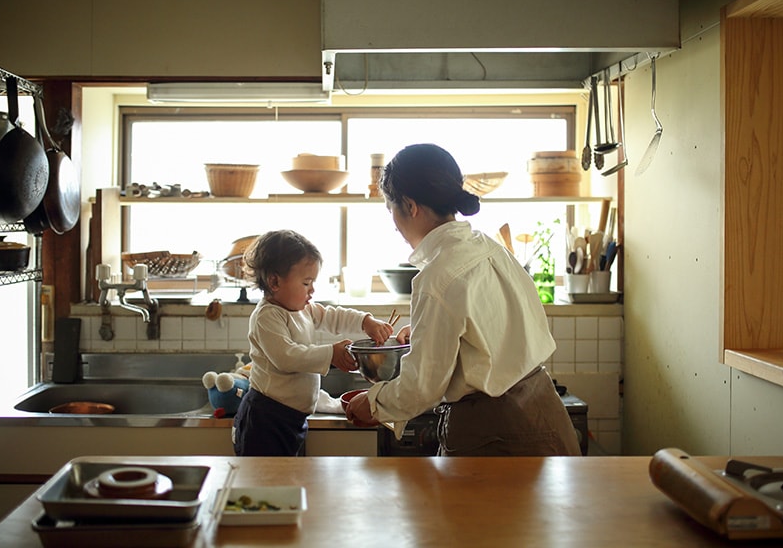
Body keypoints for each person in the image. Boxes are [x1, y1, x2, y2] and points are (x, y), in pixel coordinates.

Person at [345, 143, 582, 457]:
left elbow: (421, 389)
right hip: (544, 413)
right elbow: (496, 330)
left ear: (410, 206)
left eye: (391, 209)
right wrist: (427, 337)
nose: (394, 223)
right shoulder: (487, 246)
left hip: (498, 435)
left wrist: (373, 403)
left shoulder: (436, 278)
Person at [233, 229, 394, 456]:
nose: (312, 290)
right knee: (265, 482)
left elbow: (332, 316)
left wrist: (366, 321)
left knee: (286, 481)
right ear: (274, 282)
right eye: (306, 283)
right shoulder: (267, 316)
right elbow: (286, 357)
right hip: (266, 419)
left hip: (292, 418)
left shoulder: (302, 309)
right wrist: (331, 355)